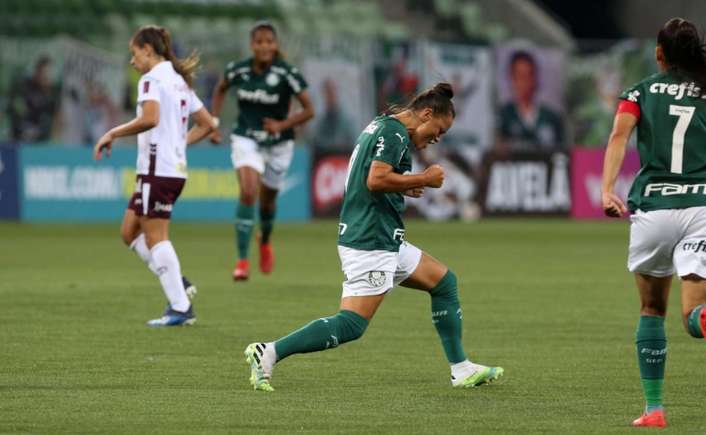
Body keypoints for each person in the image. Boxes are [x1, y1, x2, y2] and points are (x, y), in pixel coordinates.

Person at [242, 83, 503, 392]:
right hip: (371, 240)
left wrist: (405, 185)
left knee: (444, 283)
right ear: (427, 113)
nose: (437, 137)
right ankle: (268, 352)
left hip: (383, 237)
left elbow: (375, 178)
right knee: (351, 324)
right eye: (439, 129)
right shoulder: (393, 134)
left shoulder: (382, 125)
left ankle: (461, 369)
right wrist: (423, 178)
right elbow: (375, 179)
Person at [601, 18, 706, 428]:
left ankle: (654, 409)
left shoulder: (639, 92)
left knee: (651, 308)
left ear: (659, 54)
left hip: (654, 209)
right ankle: (704, 320)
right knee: (695, 310)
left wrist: (606, 189)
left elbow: (618, 137)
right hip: (704, 209)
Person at [93, 25, 216, 327]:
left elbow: (150, 118)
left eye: (134, 54)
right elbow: (208, 123)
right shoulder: (179, 81)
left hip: (157, 171)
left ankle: (180, 307)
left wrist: (112, 132)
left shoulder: (151, 79)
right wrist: (178, 143)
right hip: (168, 170)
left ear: (147, 50)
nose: (132, 62)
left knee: (156, 237)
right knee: (129, 232)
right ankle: (178, 282)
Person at [209, 21, 314, 281]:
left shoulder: (287, 72)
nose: (264, 46)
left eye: (269, 41)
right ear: (252, 45)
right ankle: (242, 260)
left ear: (275, 45)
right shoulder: (238, 70)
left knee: (267, 201)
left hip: (279, 144)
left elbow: (309, 110)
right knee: (247, 192)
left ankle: (264, 240)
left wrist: (282, 124)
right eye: (259, 42)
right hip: (246, 138)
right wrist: (213, 122)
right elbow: (220, 89)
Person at [498, 50, 564, 152]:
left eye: (527, 76)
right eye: (518, 76)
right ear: (511, 78)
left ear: (535, 79)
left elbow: (562, 153)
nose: (523, 82)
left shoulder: (552, 117)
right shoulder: (503, 116)